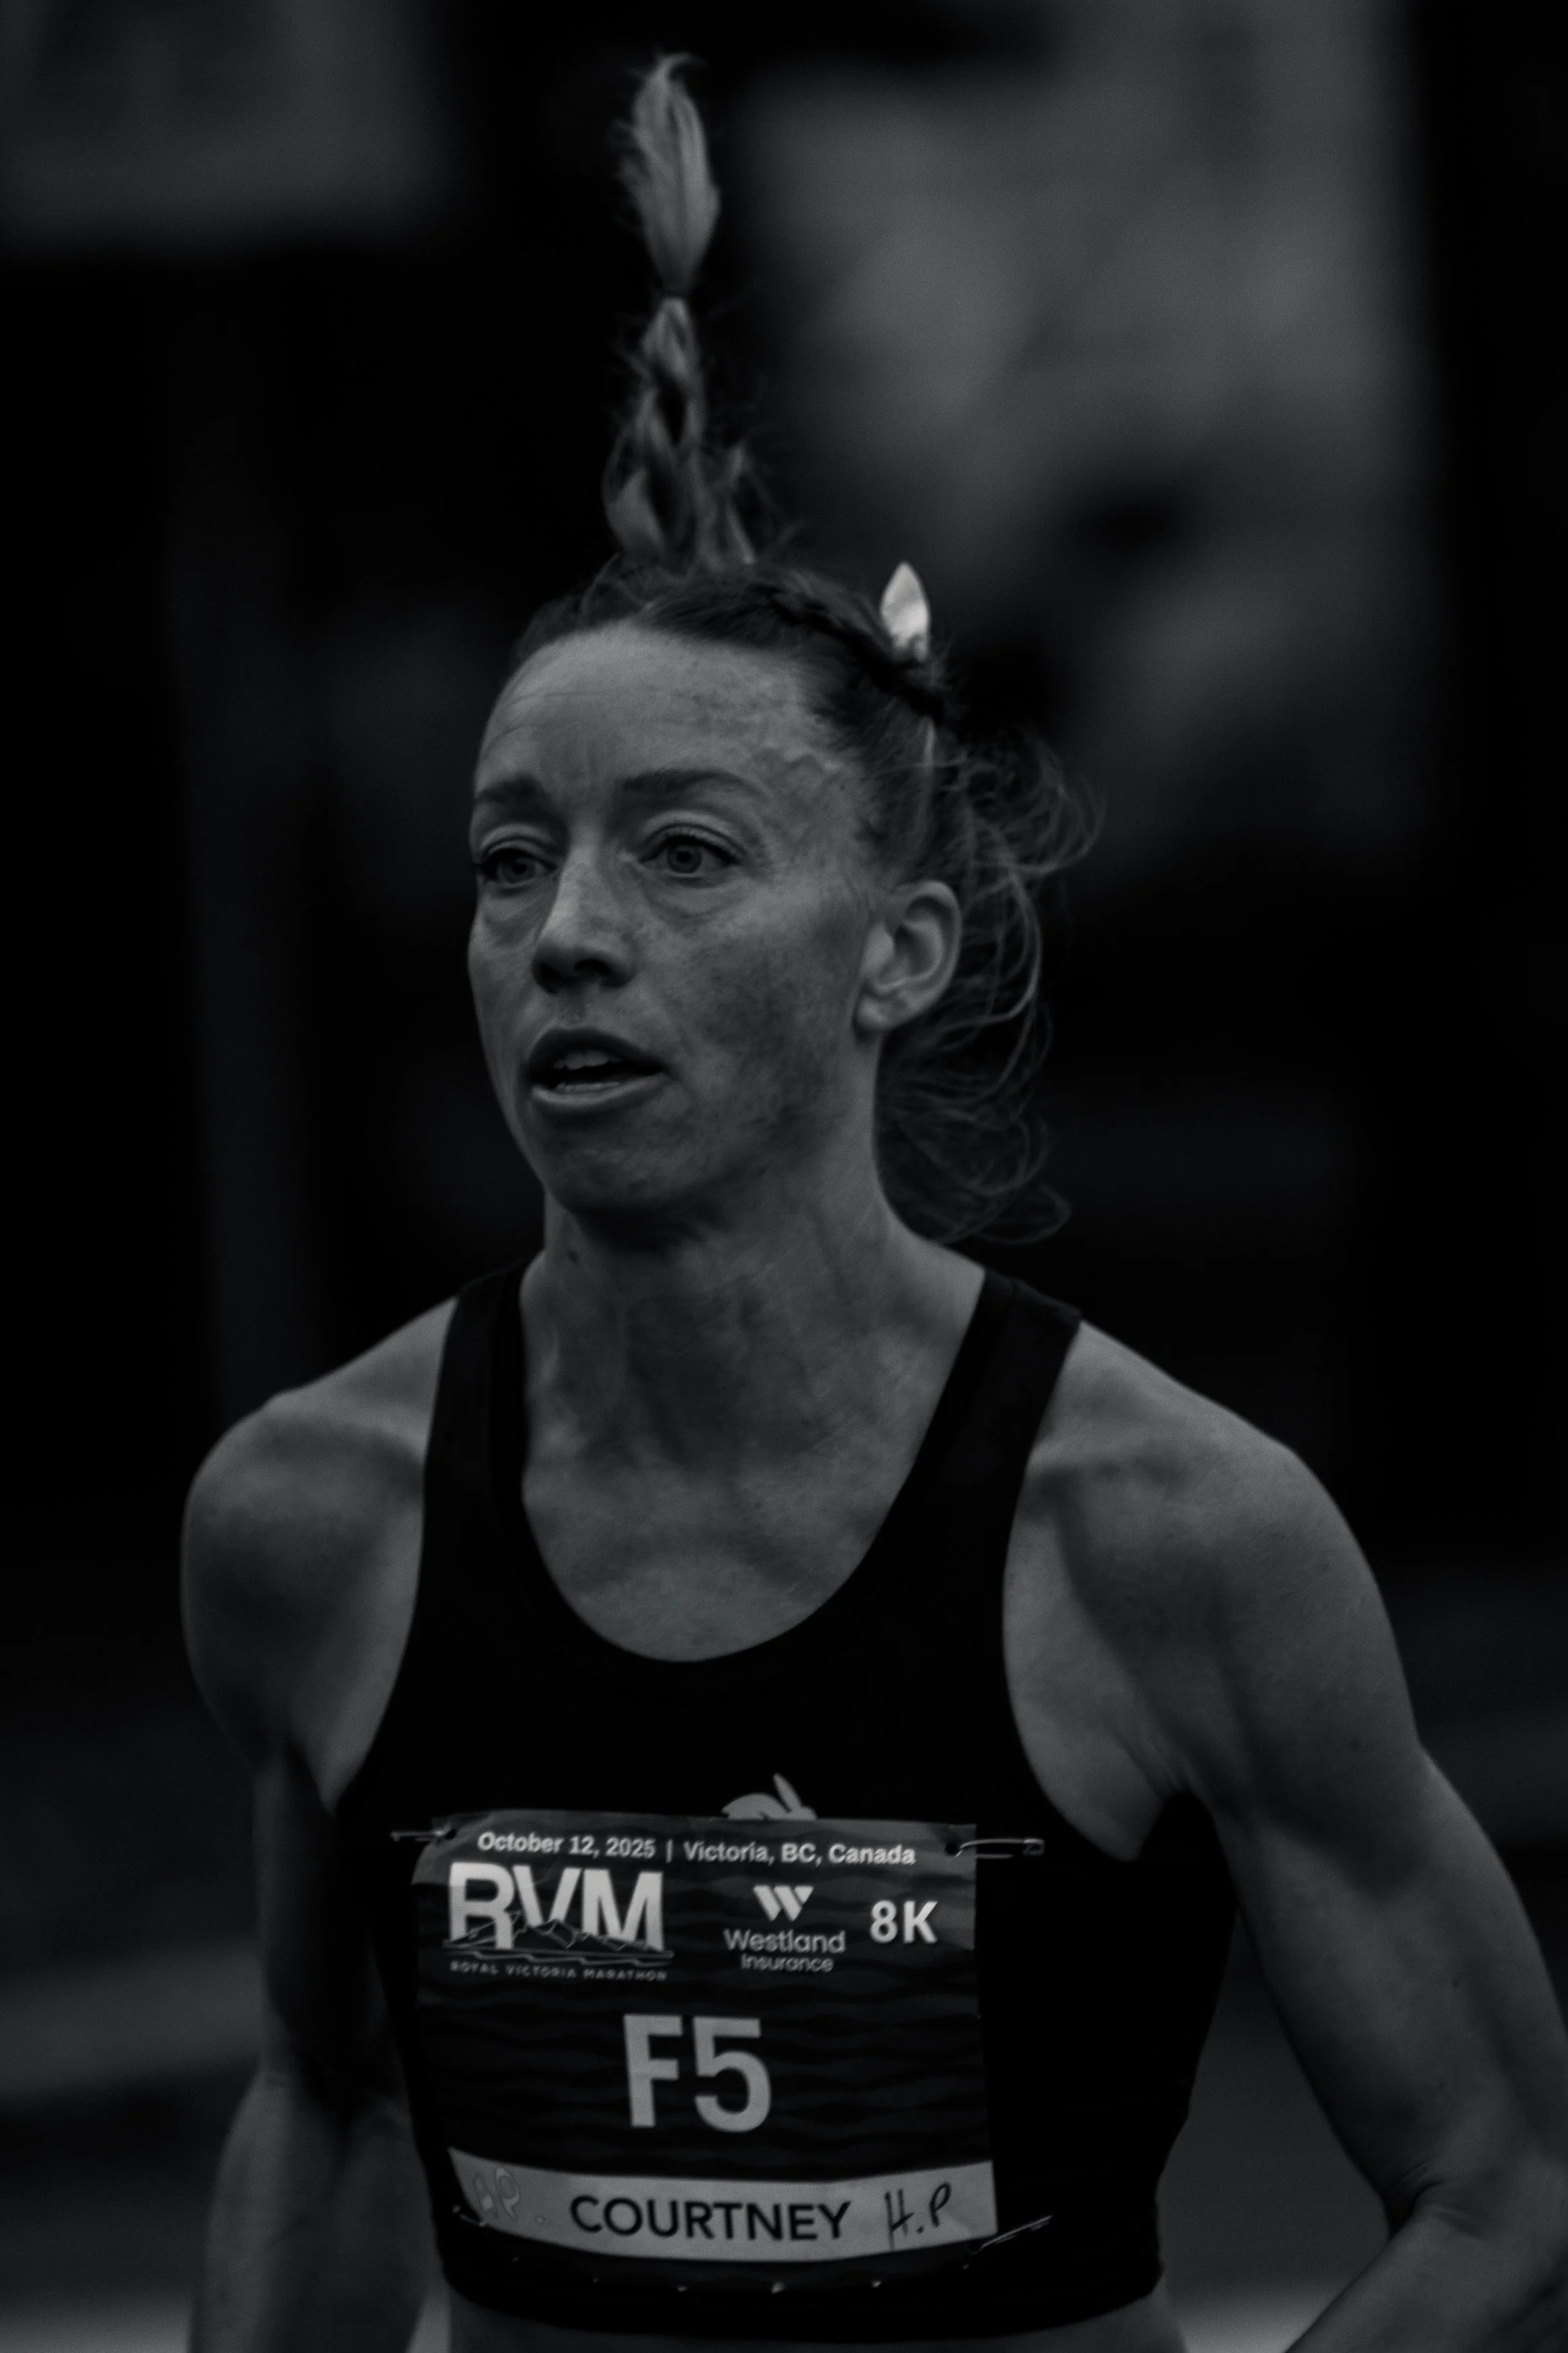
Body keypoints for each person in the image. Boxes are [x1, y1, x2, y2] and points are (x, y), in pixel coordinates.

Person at [183, 59, 1568, 2353]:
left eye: (688, 852)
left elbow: (1501, 2186)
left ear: (897, 951)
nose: (568, 935)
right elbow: (326, 2108)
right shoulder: (309, 1519)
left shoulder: (1167, 1533)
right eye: (510, 855)